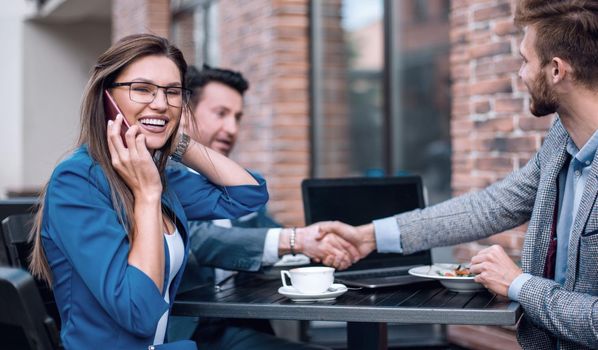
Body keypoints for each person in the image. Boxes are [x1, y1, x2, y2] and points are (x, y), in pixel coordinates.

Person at [317, 1, 598, 349]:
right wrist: (369, 237)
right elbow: (491, 207)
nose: (521, 74)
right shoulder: (561, 142)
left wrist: (518, 284)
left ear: (556, 70)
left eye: (525, 61)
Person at [28, 34, 269, 349]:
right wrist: (147, 196)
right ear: (107, 98)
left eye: (172, 92)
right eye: (142, 89)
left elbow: (248, 194)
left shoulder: (154, 174)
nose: (160, 103)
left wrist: (178, 142)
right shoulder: (77, 180)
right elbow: (138, 313)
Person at [167, 65, 356, 349]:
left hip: (244, 316)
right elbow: (200, 240)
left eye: (238, 118)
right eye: (221, 114)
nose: (232, 129)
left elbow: (273, 234)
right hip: (193, 330)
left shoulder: (234, 184)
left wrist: (319, 241)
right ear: (185, 114)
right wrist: (295, 240)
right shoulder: (164, 179)